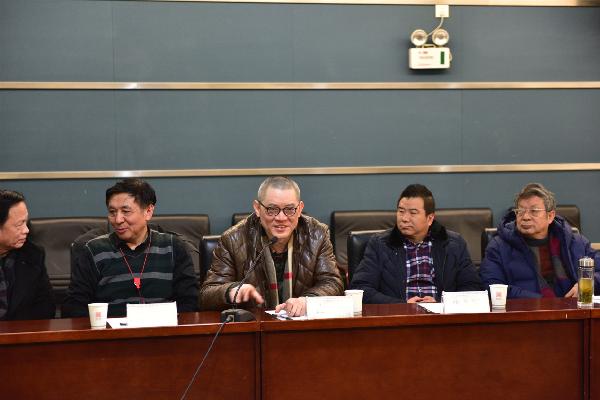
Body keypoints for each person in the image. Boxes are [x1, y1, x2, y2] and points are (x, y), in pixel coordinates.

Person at [200, 176, 343, 317]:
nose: (281, 218)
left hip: (302, 325)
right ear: (257, 208)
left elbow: (333, 283)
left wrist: (307, 300)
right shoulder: (233, 239)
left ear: (299, 209)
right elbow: (206, 296)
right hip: (254, 325)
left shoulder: (317, 234)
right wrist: (230, 291)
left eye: (289, 209)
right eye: (272, 209)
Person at [62, 178, 198, 317]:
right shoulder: (93, 251)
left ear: (148, 211)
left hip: (165, 328)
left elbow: (189, 301)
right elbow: (74, 306)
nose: (118, 220)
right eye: (112, 212)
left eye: (126, 211)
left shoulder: (173, 247)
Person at [351, 184, 482, 303]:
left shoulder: (453, 244)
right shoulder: (380, 245)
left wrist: (442, 303)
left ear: (430, 218)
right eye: (401, 211)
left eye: (413, 213)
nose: (404, 218)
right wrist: (402, 306)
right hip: (398, 317)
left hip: (442, 317)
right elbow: (360, 289)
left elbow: (473, 288)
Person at [480, 183, 600, 299]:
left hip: (573, 309)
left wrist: (588, 284)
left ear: (550, 216)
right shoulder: (498, 246)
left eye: (534, 211)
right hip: (526, 311)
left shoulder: (575, 242)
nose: (525, 217)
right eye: (520, 211)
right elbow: (492, 287)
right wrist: (544, 303)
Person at [0, 190, 55, 320]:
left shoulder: (33, 255)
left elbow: (46, 308)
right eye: (19, 224)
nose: (26, 230)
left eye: (26, 222)